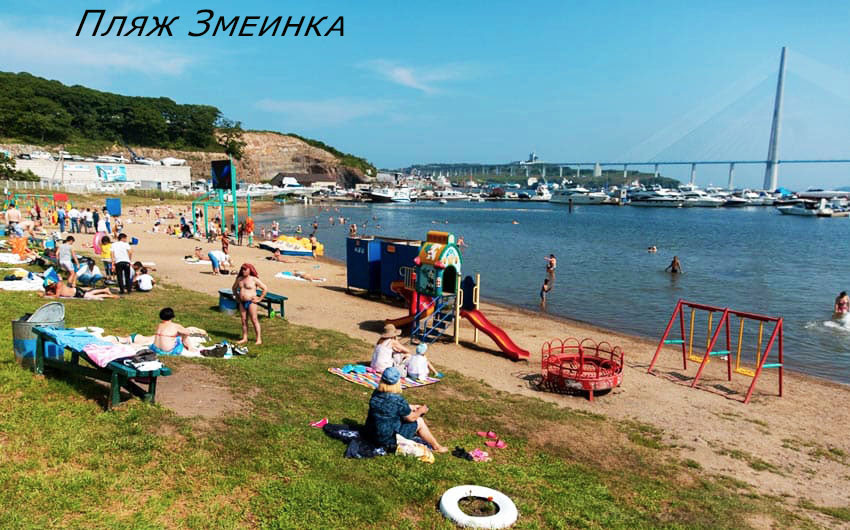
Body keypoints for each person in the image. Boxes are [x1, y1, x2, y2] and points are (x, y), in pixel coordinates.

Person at [363, 366, 448, 453]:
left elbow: (389, 407)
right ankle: (437, 447)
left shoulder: (376, 393)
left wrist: (411, 407)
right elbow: (411, 418)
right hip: (388, 440)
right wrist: (421, 411)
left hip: (371, 434)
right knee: (419, 421)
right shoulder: (398, 400)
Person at [232, 263, 267, 345]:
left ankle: (258, 339)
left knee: (254, 319)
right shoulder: (240, 279)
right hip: (242, 302)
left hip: (251, 302)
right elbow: (234, 288)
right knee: (243, 320)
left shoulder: (254, 279)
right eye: (242, 269)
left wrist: (259, 299)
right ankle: (245, 338)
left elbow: (265, 288)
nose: (243, 271)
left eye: (245, 269)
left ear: (250, 270)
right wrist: (237, 296)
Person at [43, 281, 118, 300]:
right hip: (76, 291)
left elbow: (57, 296)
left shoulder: (58, 285)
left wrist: (46, 295)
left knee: (92, 296)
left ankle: (110, 296)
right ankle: (105, 289)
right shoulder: (57, 284)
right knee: (89, 292)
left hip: (77, 293)